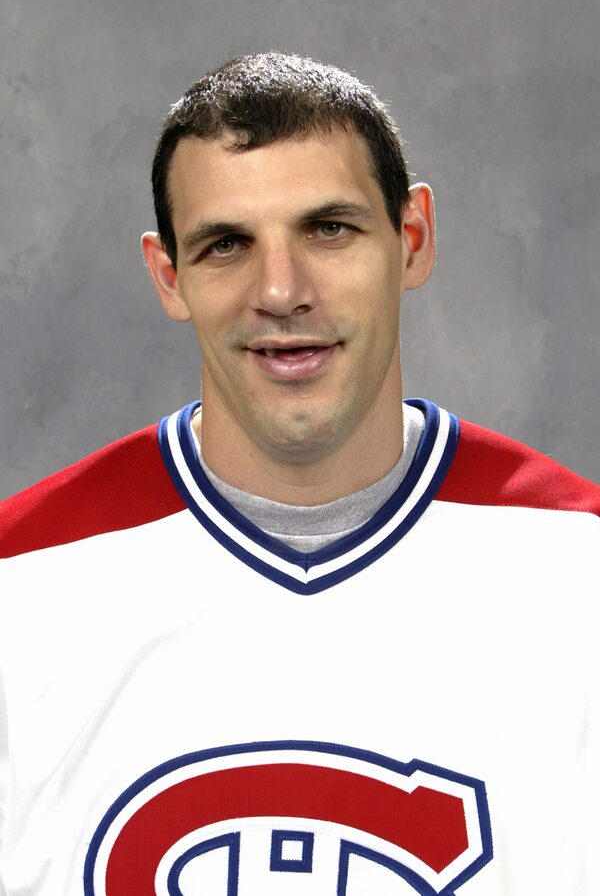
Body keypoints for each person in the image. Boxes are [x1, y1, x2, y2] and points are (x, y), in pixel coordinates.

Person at [0, 51, 598, 896]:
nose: (280, 290)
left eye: (329, 229)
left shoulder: (581, 577)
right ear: (168, 277)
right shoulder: (19, 592)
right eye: (225, 245)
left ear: (413, 238)